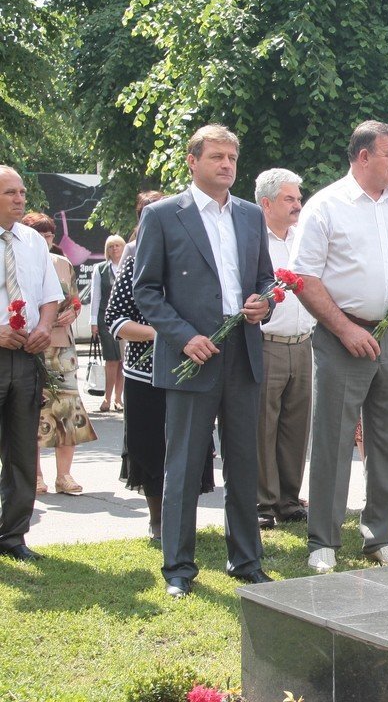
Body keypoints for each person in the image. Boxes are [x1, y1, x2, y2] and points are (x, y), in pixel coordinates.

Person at [134, 124, 275, 596]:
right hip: (192, 352)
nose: (227, 165)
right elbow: (146, 291)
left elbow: (265, 280)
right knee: (186, 464)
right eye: (217, 156)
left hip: (243, 351)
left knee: (243, 462)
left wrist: (263, 303)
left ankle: (247, 561)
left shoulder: (252, 216)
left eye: (232, 157)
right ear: (192, 161)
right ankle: (178, 568)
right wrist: (182, 337)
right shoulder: (161, 215)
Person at [291, 121, 388, 573]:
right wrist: (344, 329)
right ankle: (324, 541)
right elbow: (303, 278)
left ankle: (381, 535)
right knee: (333, 437)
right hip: (343, 335)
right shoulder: (325, 206)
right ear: (363, 156)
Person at [111, 191, 214, 541]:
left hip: (193, 364)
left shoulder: (198, 254)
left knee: (192, 444)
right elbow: (117, 319)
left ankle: (185, 519)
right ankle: (158, 520)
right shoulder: (136, 258)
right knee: (154, 445)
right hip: (148, 373)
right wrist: (167, 332)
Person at [0, 165, 63, 561]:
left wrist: (44, 326)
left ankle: (12, 536)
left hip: (25, 358)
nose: (21, 198)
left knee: (23, 450)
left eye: (22, 192)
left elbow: (50, 296)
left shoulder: (32, 241)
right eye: (11, 193)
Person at [254, 169, 315, 530]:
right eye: (289, 199)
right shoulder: (252, 240)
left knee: (296, 425)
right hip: (267, 343)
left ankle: (290, 500)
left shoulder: (302, 239)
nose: (298, 205)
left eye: (298, 198)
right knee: (263, 425)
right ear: (267, 203)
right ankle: (263, 501)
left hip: (303, 342)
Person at [22, 213, 95, 497]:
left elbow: (74, 299)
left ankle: (64, 475)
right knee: (32, 411)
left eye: (49, 235)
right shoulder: (17, 261)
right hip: (30, 345)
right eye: (39, 235)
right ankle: (35, 476)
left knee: (67, 410)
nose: (45, 241)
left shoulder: (63, 264)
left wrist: (73, 311)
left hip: (62, 348)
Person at [89, 234, 126, 412]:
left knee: (123, 360)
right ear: (107, 251)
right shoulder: (100, 269)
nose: (115, 249)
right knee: (111, 359)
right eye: (111, 246)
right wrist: (93, 322)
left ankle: (119, 398)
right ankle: (107, 397)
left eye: (118, 245)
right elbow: (95, 296)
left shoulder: (130, 265)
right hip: (106, 320)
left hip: (127, 320)